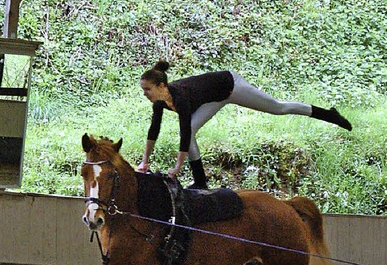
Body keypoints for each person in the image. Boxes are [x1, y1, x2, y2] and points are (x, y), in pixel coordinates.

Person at [137, 60, 352, 189]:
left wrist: (178, 166)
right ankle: (200, 181)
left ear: (161, 85)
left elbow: (183, 133)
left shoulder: (180, 98)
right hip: (213, 98)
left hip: (231, 87)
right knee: (193, 129)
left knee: (278, 107)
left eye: (147, 89)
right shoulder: (160, 102)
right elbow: (153, 130)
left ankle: (328, 115)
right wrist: (145, 162)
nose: (145, 94)